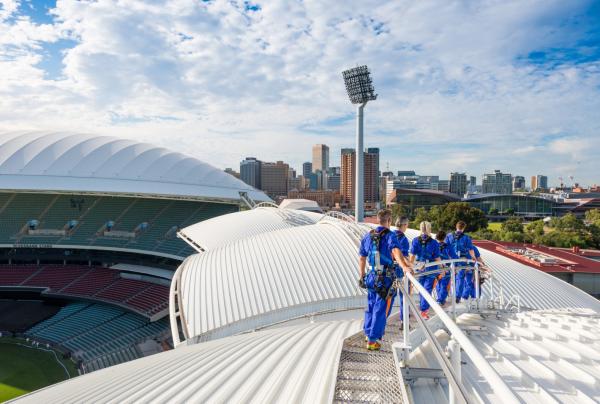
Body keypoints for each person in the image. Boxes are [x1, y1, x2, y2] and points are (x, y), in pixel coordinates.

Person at [359, 209, 412, 351]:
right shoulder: (390, 236)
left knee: (371, 306)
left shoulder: (368, 236)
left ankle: (368, 332)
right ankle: (372, 340)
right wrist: (404, 267)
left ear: (378, 219)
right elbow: (395, 251)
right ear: (389, 221)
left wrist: (362, 275)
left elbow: (362, 257)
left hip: (370, 276)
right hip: (385, 278)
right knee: (380, 309)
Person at [409, 221, 442, 320]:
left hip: (419, 268)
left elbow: (412, 257)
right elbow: (437, 258)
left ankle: (423, 309)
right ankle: (424, 311)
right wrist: (442, 268)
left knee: (421, 288)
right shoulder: (434, 242)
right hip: (431, 269)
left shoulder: (415, 240)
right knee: (427, 289)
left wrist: (412, 267)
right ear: (429, 229)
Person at [444, 221, 477, 303]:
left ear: (456, 226)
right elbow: (471, 249)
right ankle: (457, 297)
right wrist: (473, 258)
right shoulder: (466, 238)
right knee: (460, 278)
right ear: (463, 228)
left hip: (451, 259)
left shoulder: (449, 236)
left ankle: (446, 296)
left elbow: (444, 246)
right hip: (461, 260)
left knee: (449, 277)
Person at [387, 217, 411, 321]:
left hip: (389, 271)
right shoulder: (403, 239)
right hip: (400, 271)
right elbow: (404, 257)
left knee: (389, 298)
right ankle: (403, 321)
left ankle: (383, 322)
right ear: (404, 225)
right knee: (404, 297)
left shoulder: (389, 235)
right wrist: (410, 266)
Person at [435, 230, 458, 307]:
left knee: (438, 283)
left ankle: (440, 299)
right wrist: (456, 266)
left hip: (436, 267)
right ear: (445, 238)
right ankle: (441, 300)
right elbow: (454, 257)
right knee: (444, 284)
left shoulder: (434, 245)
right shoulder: (448, 246)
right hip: (446, 268)